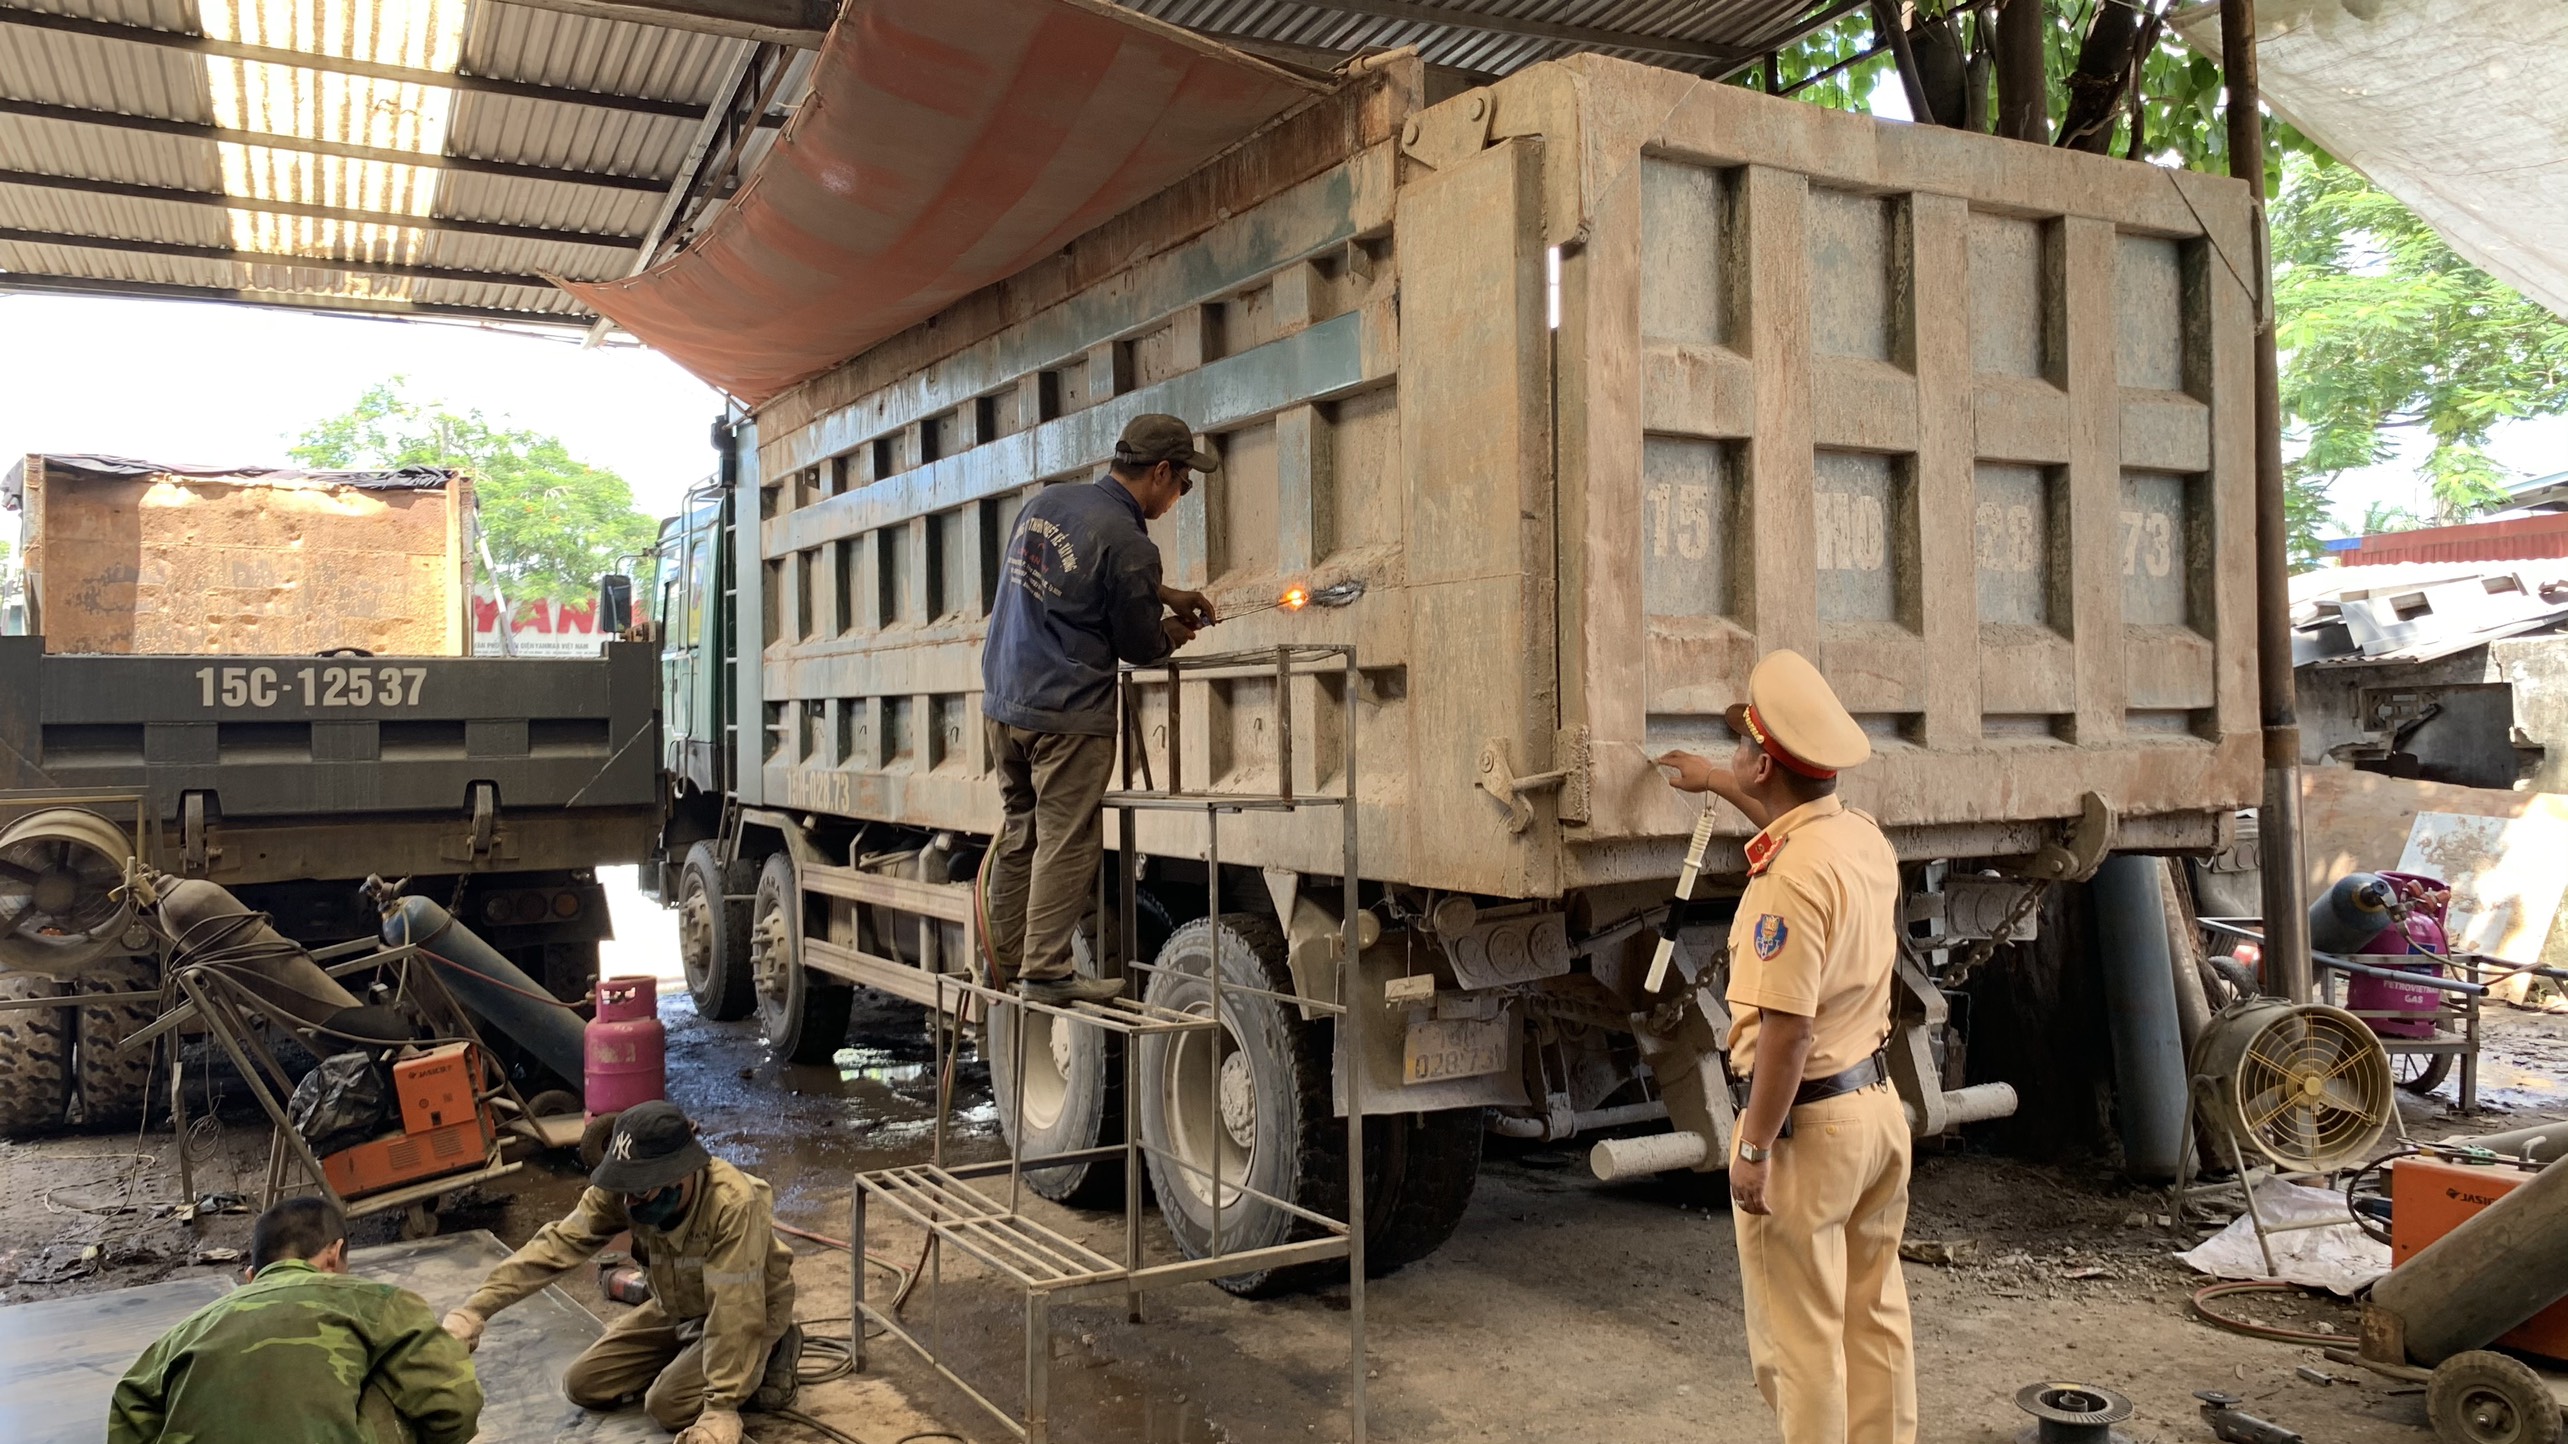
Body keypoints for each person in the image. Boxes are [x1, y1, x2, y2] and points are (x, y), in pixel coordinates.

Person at [1656, 648, 1914, 1444]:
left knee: (1800, 1348)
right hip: (1876, 1117)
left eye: (1742, 750)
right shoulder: (1862, 840)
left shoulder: (1787, 883)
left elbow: (1788, 1032)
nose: (1736, 758)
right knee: (1875, 1323)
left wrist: (1756, 1147)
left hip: (1808, 1133)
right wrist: (1716, 780)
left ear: (1766, 761)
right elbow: (1788, 819)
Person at [980, 412, 1219, 1005]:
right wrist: (1170, 630)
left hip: (1004, 702)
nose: (1180, 496)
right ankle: (1046, 972)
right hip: (1066, 717)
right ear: (1160, 473)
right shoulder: (1133, 545)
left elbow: (1078, 569)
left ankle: (1004, 964)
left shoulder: (1048, 503)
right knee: (1069, 840)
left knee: (1021, 832)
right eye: (1183, 483)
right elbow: (1139, 646)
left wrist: (1162, 591)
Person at [439, 1102, 797, 1444]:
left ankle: (776, 1346)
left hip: (750, 1310)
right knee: (584, 1384)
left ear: (681, 1173)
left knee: (667, 1406)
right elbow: (557, 1245)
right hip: (679, 1305)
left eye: (639, 1190)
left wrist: (722, 1405)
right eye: (622, 1188)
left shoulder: (732, 1205)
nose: (627, 1203)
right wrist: (475, 1309)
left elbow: (734, 1308)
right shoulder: (623, 1189)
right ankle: (692, 1360)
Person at [109, 1194, 482, 1444]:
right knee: (398, 1378)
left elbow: (129, 1410)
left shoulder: (183, 1335)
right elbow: (455, 1406)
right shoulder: (375, 1304)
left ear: (251, 1277)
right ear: (334, 1257)